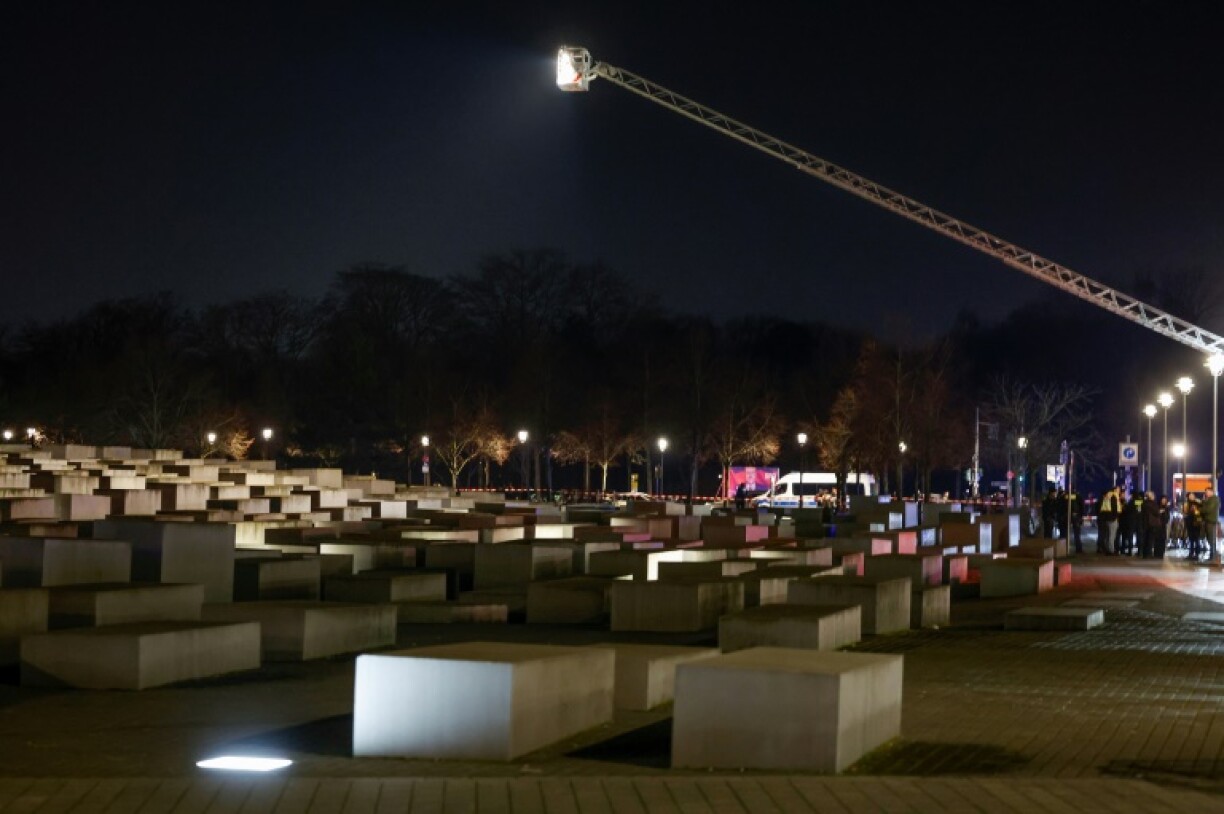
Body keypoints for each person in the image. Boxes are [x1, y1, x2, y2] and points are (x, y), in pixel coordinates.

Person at [1097, 485, 1120, 555]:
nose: (1119, 491)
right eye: (1118, 490)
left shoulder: (1107, 496)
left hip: (1106, 518)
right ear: (1115, 490)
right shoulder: (1114, 497)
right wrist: (1115, 517)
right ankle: (1111, 550)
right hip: (1112, 518)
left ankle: (1107, 549)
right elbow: (1115, 508)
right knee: (1112, 536)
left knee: (1108, 535)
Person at [1141, 490, 1162, 559]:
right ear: (1151, 496)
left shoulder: (1144, 504)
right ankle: (1148, 553)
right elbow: (1157, 512)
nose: (1154, 496)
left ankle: (1145, 554)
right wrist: (1159, 511)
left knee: (1146, 538)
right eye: (1152, 495)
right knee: (1150, 539)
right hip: (1152, 524)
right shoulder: (1152, 504)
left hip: (1145, 523)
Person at [1202, 486, 1221, 563]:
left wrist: (1200, 510)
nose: (1206, 493)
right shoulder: (1210, 499)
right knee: (1210, 539)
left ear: (1211, 491)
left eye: (1207, 492)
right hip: (1209, 521)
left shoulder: (1214, 499)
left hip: (1211, 521)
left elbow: (1208, 509)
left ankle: (1213, 556)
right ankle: (1212, 556)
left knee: (1211, 539)